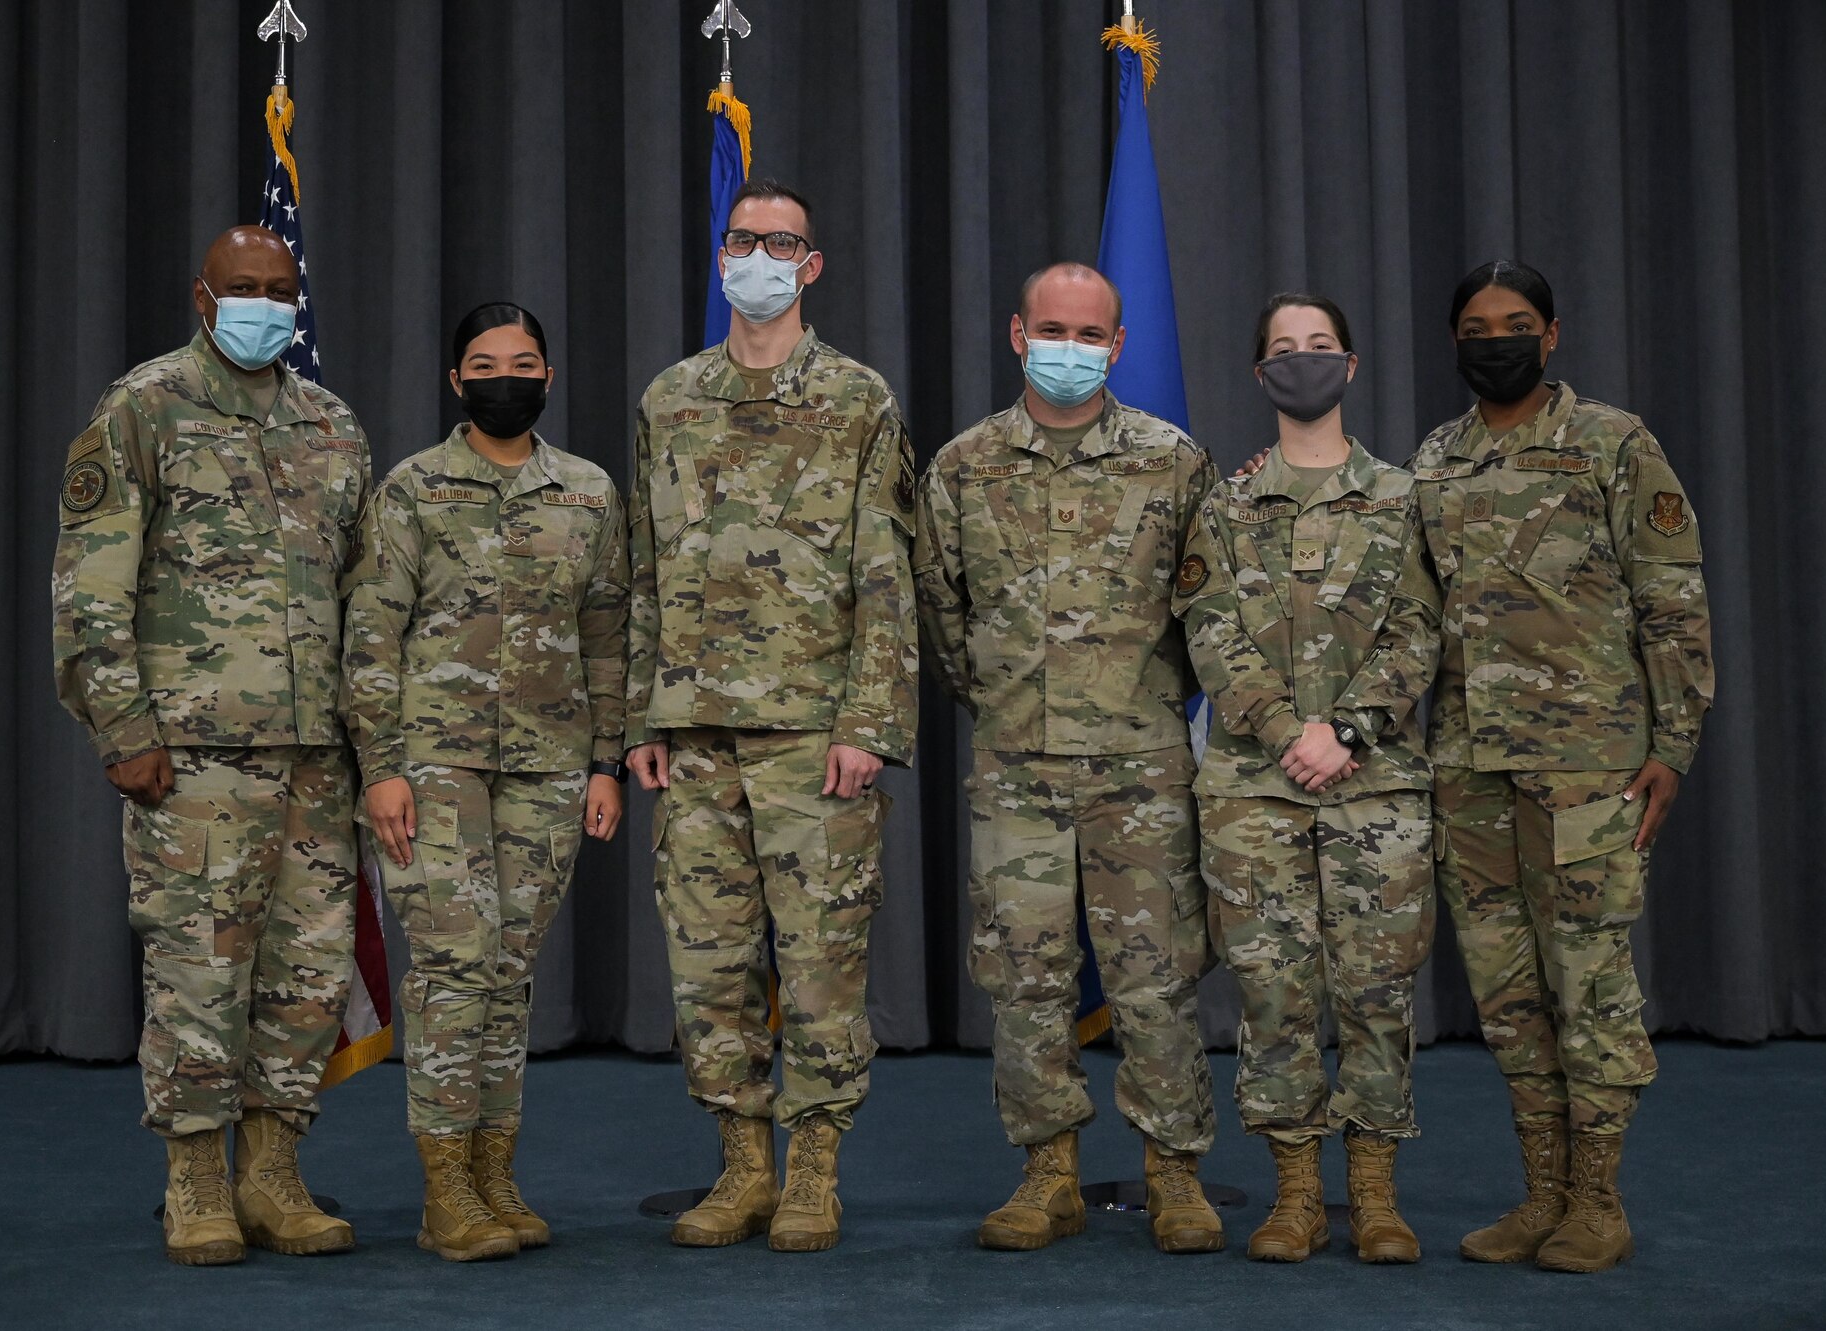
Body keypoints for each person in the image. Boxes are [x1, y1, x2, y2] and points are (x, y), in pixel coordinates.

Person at [51, 225, 368, 1265]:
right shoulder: (142, 408)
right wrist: (122, 726)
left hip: (317, 751)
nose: (263, 305)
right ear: (202, 294)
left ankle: (271, 1171)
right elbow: (90, 585)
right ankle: (195, 1177)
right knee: (199, 967)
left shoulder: (331, 423)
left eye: (280, 290)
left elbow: (361, 598)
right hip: (193, 752)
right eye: (243, 288)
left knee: (306, 973)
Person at [626, 179, 919, 1253]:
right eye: (740, 238)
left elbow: (888, 573)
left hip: (811, 732)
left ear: (811, 264)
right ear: (719, 256)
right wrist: (639, 718)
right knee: (707, 967)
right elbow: (646, 568)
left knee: (822, 963)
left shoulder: (854, 397)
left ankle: (813, 1172)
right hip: (693, 729)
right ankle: (742, 1165)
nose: (757, 254)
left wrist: (868, 722)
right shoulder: (670, 396)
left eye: (778, 241)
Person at [913, 263, 1224, 1254]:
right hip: (1016, 763)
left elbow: (1208, 611)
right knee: (1023, 975)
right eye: (1050, 328)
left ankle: (1173, 1170)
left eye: (1087, 333)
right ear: (1015, 333)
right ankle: (1045, 1170)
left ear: (1117, 345)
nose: (1067, 347)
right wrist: (1009, 702)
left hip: (1140, 764)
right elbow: (943, 616)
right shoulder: (963, 466)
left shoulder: (1172, 461)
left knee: (1154, 978)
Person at [1410, 261, 1714, 1272]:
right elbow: (1411, 616)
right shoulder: (1434, 459)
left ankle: (1598, 1200)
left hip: (1586, 769)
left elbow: (1670, 599)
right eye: (1470, 324)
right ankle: (1538, 1191)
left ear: (1550, 335)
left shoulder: (1611, 444)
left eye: (1511, 322)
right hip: (1469, 773)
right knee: (1505, 994)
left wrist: (1672, 741)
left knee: (1588, 983)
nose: (1489, 337)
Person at [341, 303, 629, 1262]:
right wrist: (380, 769)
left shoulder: (587, 492)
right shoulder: (413, 489)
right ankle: (444, 1189)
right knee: (455, 971)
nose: (507, 375)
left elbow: (606, 634)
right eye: (485, 362)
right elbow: (371, 635)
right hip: (435, 763)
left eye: (525, 360)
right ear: (456, 382)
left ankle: (495, 1171)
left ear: (548, 375)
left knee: (508, 976)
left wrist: (605, 763)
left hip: (550, 765)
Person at [1174, 294, 1442, 1264]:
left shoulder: (1403, 496)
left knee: (1374, 991)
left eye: (1318, 346)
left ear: (1350, 365)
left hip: (1373, 787)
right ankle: (1292, 1193)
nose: (1301, 361)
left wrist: (1348, 730)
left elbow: (1419, 629)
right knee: (1273, 993)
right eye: (1282, 350)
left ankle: (1371, 1194)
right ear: (1259, 375)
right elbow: (1206, 628)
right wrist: (1289, 729)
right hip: (1253, 787)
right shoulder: (1225, 501)